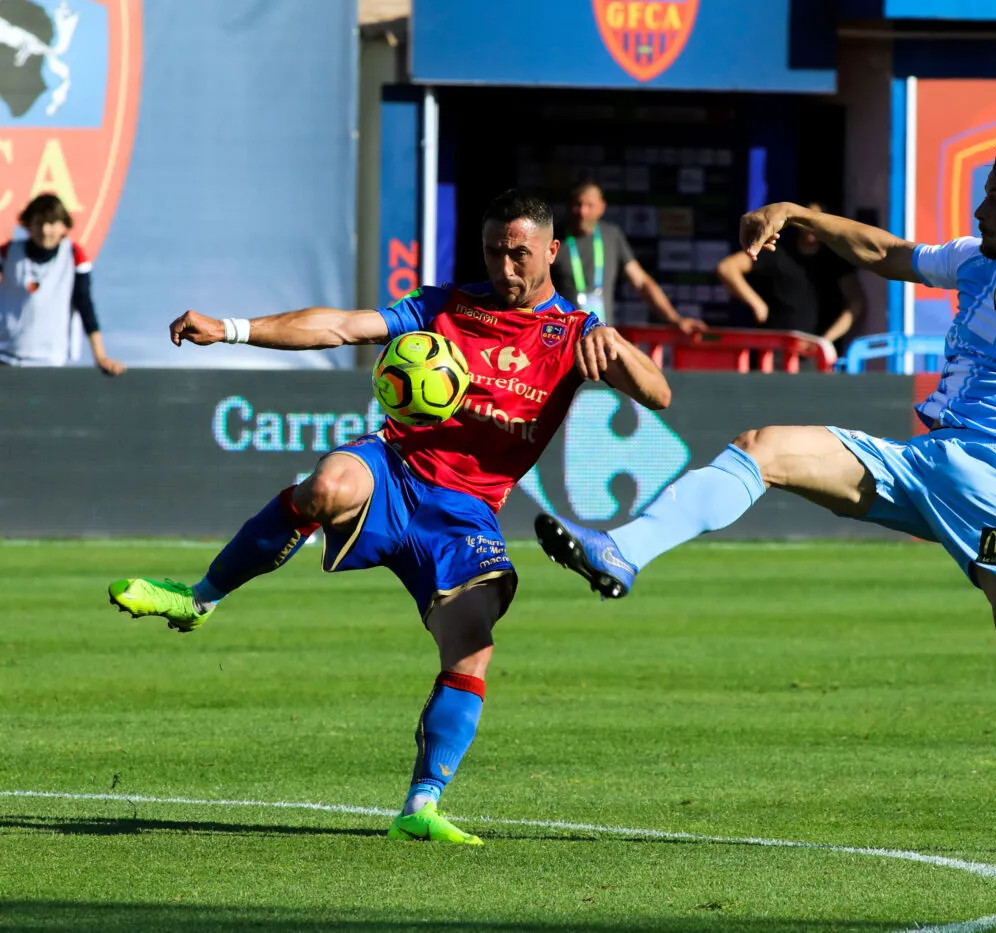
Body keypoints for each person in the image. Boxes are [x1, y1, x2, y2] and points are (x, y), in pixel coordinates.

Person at [534, 141, 996, 860]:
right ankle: (622, 550)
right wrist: (795, 213)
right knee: (763, 447)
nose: (979, 211)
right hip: (920, 463)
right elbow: (882, 252)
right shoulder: (975, 261)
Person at [108, 190, 670, 844]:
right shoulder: (445, 306)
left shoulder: (572, 336)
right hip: (395, 469)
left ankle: (421, 803)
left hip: (467, 515)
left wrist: (614, 343)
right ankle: (196, 598)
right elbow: (341, 326)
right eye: (494, 251)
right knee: (325, 484)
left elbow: (658, 393)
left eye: (520, 253)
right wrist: (231, 328)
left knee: (473, 644)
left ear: (552, 251)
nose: (505, 266)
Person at [549, 180, 704, 333]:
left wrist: (675, 319)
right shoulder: (553, 239)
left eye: (589, 206)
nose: (582, 212)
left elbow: (642, 283)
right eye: (578, 205)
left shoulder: (611, 236)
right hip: (562, 340)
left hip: (601, 340)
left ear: (602, 208)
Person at [0, 194, 125, 373]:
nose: (44, 230)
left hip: (51, 359)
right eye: (38, 223)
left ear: (63, 226)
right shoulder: (8, 252)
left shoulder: (74, 256)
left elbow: (85, 304)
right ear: (28, 225)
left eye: (51, 223)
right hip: (5, 356)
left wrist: (100, 356)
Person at [715, 201, 866, 348]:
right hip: (774, 351)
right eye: (807, 219)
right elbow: (727, 268)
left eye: (818, 219)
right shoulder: (778, 252)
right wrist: (757, 304)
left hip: (812, 357)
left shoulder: (834, 260)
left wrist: (824, 341)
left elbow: (856, 301)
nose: (811, 226)